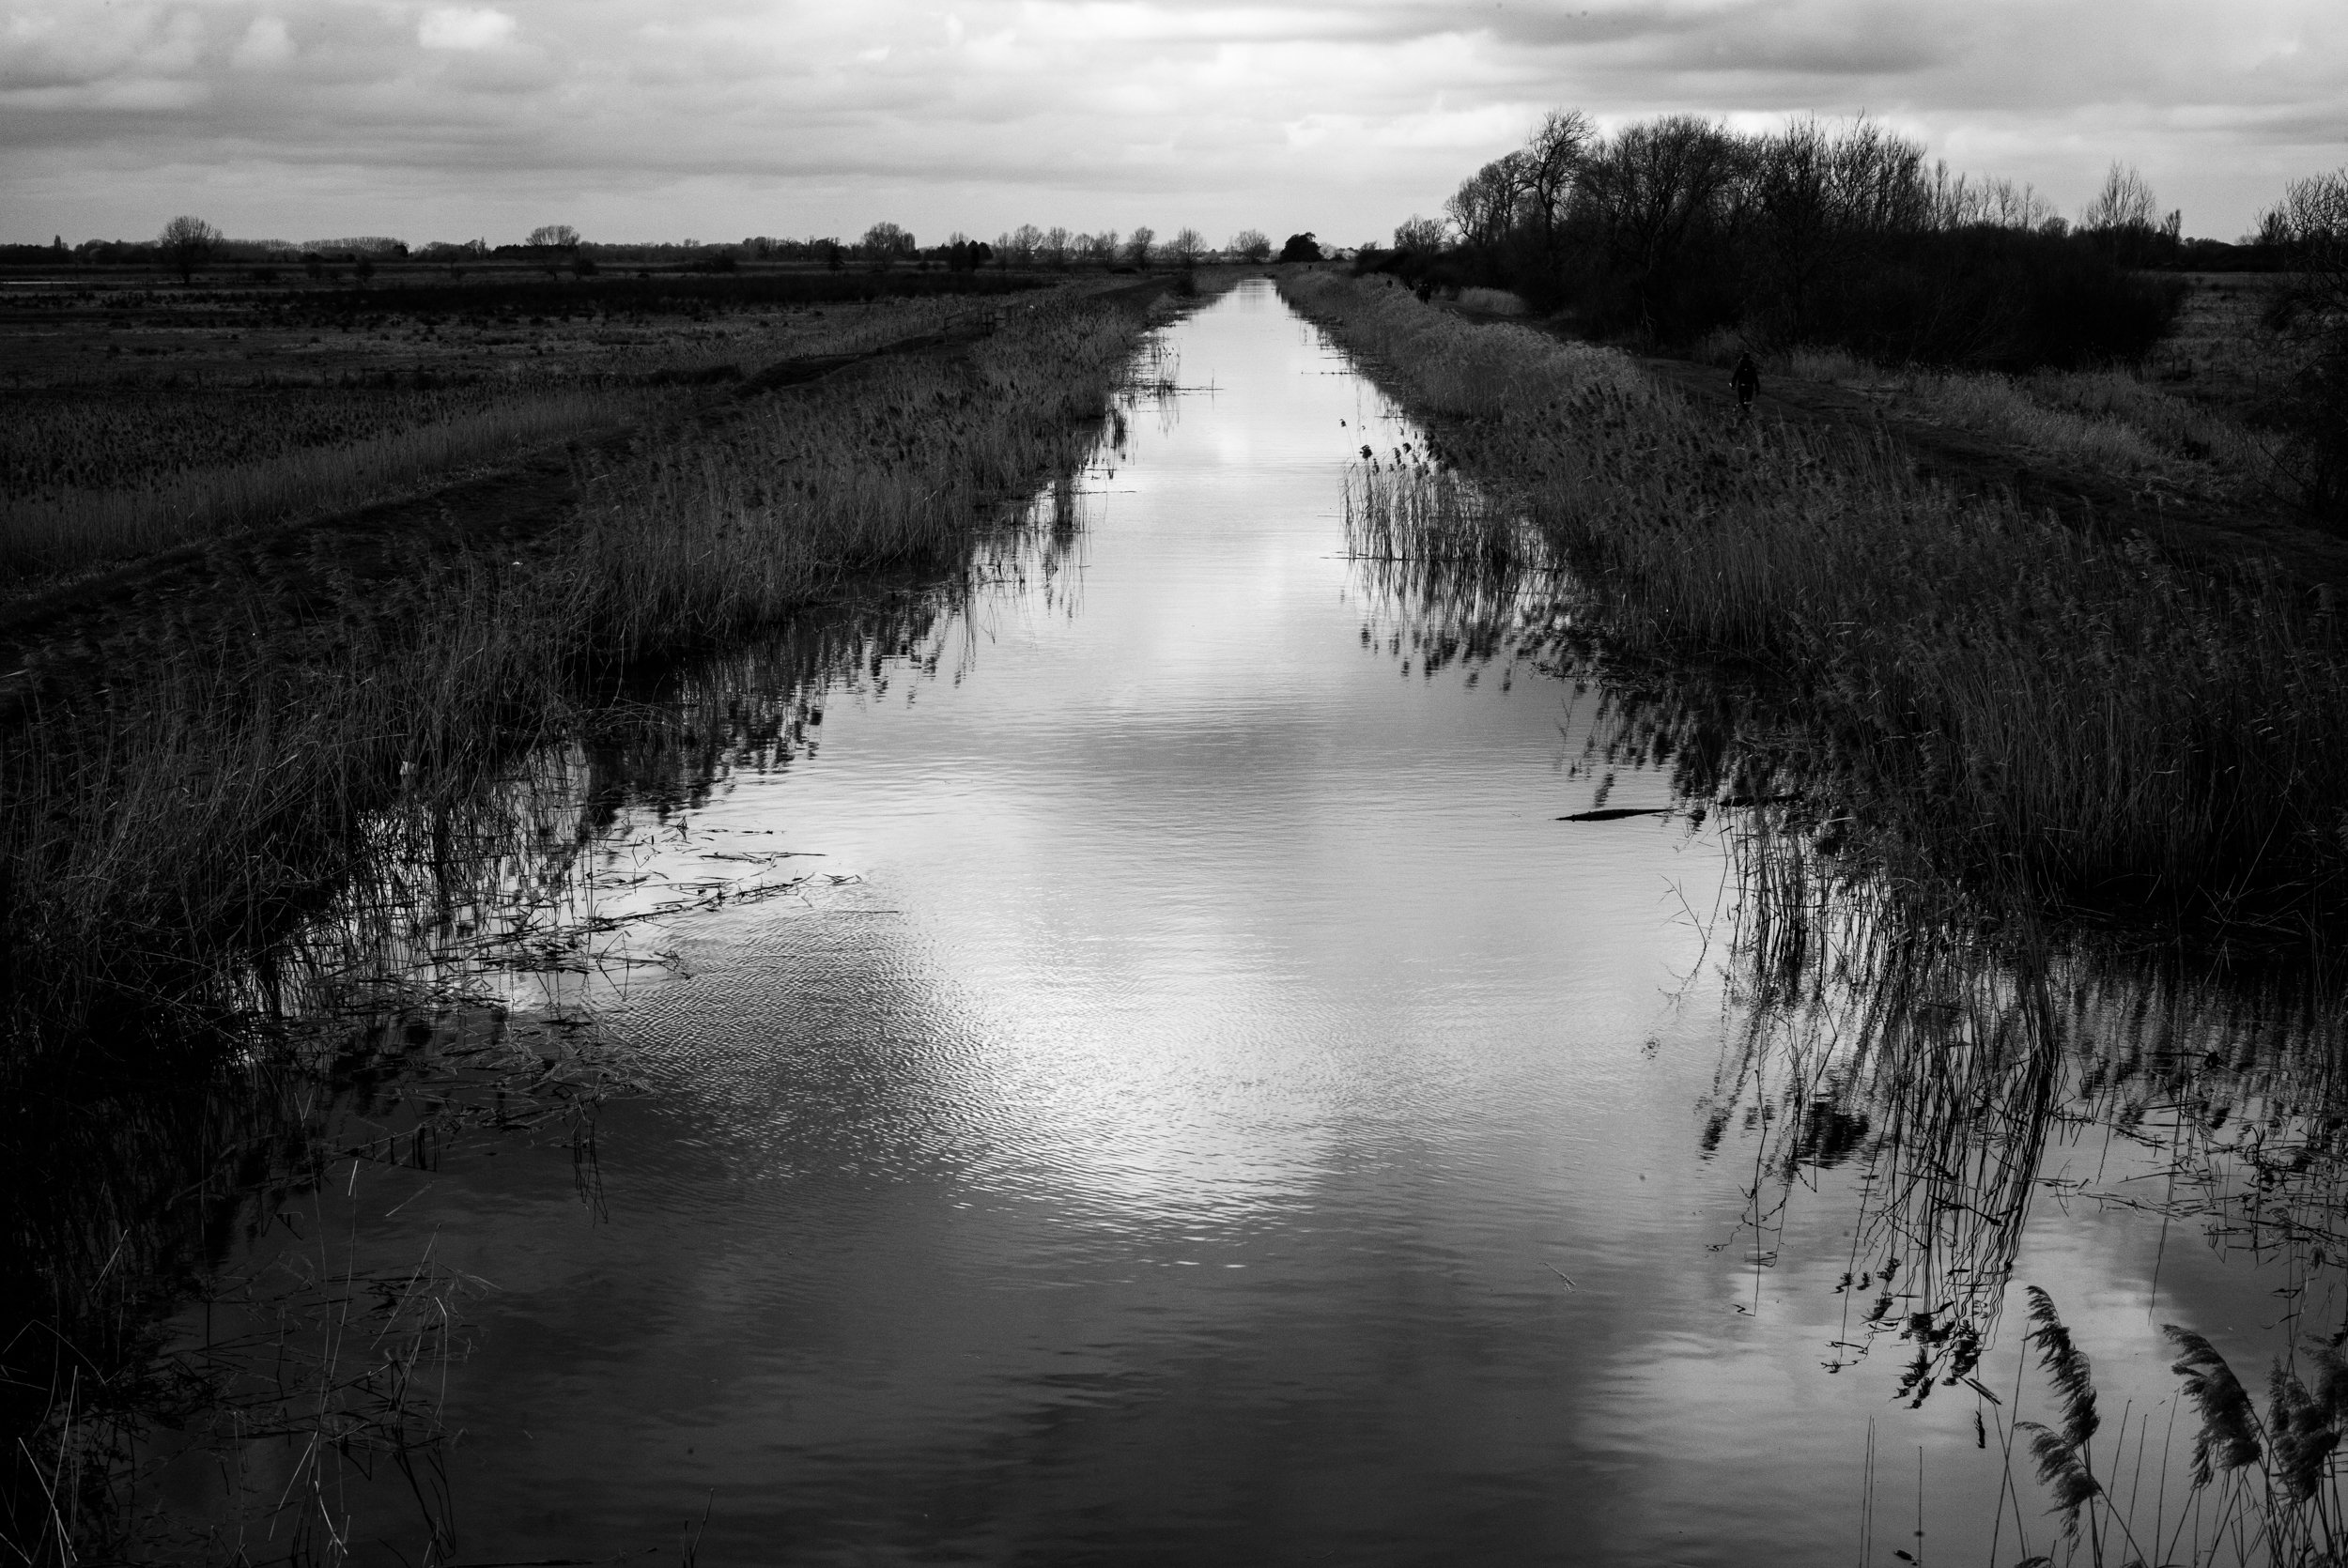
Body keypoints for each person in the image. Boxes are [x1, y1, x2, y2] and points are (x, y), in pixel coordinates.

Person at [1731, 351, 1760, 420]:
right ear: (1749, 358)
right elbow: (1756, 379)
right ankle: (1748, 416)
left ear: (1743, 357)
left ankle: (1742, 416)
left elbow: (1734, 377)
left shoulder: (1740, 367)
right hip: (1750, 387)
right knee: (1748, 401)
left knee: (1741, 402)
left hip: (1741, 386)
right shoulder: (1752, 368)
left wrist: (1733, 385)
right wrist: (1757, 389)